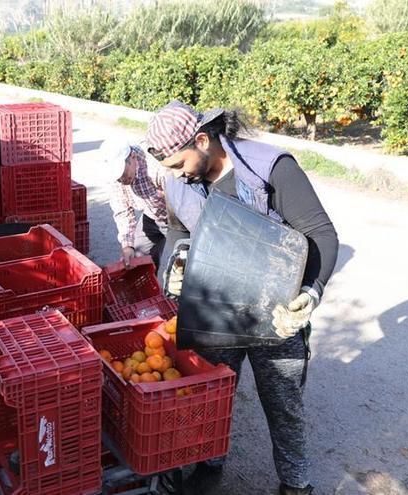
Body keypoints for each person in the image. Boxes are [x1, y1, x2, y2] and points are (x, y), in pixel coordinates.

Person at [145, 101, 338, 495]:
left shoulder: (270, 169)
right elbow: (178, 231)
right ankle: (208, 462)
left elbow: (322, 235)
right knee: (212, 396)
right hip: (218, 310)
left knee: (283, 405)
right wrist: (175, 265)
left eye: (180, 164)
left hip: (276, 312)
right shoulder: (178, 182)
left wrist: (311, 292)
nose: (177, 174)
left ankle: (296, 484)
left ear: (202, 140)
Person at [99, 140, 168, 269]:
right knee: (137, 259)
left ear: (133, 157)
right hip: (152, 215)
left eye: (122, 174)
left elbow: (182, 203)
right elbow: (122, 210)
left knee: (183, 262)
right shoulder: (117, 179)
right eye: (118, 177)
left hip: (176, 217)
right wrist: (127, 245)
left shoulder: (155, 166)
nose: (121, 180)